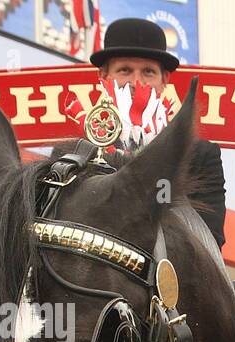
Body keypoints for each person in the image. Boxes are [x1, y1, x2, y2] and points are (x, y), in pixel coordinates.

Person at [91, 18, 227, 249]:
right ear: (103, 77)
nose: (136, 82)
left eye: (148, 72)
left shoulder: (200, 156)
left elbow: (209, 240)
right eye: (124, 70)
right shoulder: (79, 151)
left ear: (165, 80)